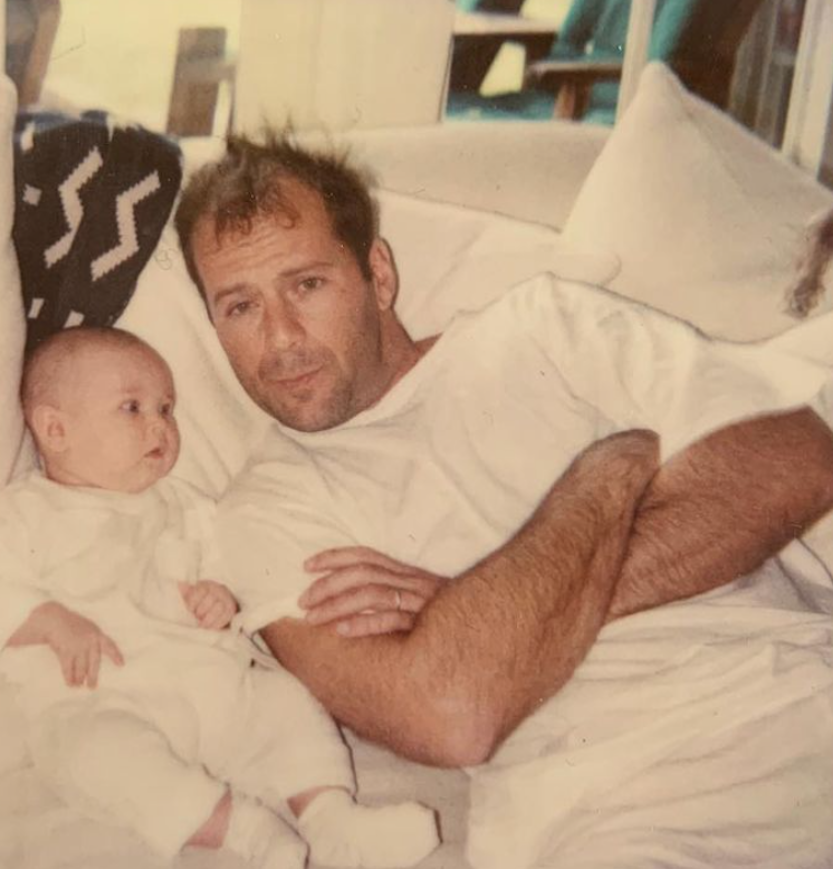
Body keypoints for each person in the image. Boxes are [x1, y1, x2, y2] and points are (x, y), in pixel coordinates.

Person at [173, 134, 833, 866]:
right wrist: (608, 471)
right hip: (621, 813)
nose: (281, 339)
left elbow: (801, 459)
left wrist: (473, 610)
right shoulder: (261, 513)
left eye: (307, 285)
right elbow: (451, 711)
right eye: (239, 306)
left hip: (800, 698)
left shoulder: (544, 328)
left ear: (378, 274)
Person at [0, 327, 440, 869]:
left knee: (285, 704)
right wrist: (47, 620)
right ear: (55, 429)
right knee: (96, 756)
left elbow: (226, 558)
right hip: (102, 700)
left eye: (166, 407)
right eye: (132, 408)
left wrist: (220, 593)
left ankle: (330, 818)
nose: (160, 424)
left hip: (212, 690)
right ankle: (248, 832)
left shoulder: (180, 503)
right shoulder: (28, 514)